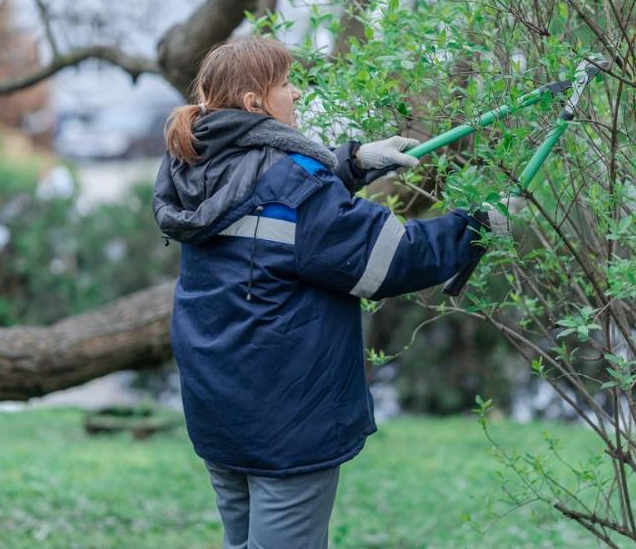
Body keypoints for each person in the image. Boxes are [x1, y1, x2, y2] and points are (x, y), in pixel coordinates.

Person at [152, 36, 505, 548]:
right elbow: (392, 257)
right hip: (284, 423)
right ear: (256, 104)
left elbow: (275, 199)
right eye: (286, 84)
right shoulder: (295, 185)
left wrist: (355, 162)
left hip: (219, 406)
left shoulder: (196, 167)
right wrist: (477, 226)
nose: (296, 94)